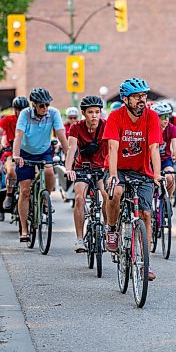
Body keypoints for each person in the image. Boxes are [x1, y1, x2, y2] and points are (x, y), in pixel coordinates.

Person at [103, 78, 162, 281]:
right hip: (117, 168)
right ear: (125, 99)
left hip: (141, 170)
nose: (141, 100)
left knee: (146, 213)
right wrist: (112, 175)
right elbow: (113, 147)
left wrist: (157, 174)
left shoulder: (152, 117)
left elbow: (154, 147)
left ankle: (145, 263)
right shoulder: (115, 116)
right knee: (116, 192)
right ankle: (111, 228)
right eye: (137, 96)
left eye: (144, 96)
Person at [12, 88, 68, 242]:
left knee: (50, 171)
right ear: (34, 105)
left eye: (47, 105)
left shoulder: (54, 113)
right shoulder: (24, 114)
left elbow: (61, 134)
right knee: (24, 190)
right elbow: (18, 135)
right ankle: (24, 229)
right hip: (25, 152)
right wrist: (16, 155)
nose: (45, 108)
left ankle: (45, 199)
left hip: (44, 150)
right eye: (41, 105)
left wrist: (70, 154)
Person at [65, 96, 108, 253]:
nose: (94, 115)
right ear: (83, 113)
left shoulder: (106, 125)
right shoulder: (76, 127)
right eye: (90, 112)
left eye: (97, 112)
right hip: (82, 168)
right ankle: (79, 239)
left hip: (102, 168)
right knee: (79, 199)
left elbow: (113, 148)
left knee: (107, 195)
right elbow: (71, 149)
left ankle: (106, 229)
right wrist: (69, 168)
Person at [150, 101, 176, 197]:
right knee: (149, 185)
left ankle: (168, 201)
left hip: (165, 159)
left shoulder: (171, 128)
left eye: (168, 116)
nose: (167, 119)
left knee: (170, 177)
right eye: (163, 116)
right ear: (155, 117)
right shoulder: (149, 128)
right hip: (149, 160)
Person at [0, 96, 29, 211]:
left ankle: (40, 198)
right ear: (15, 109)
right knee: (11, 171)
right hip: (11, 153)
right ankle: (9, 194)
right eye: (18, 109)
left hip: (28, 153)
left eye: (23, 109)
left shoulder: (31, 120)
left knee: (39, 173)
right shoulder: (8, 119)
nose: (21, 111)